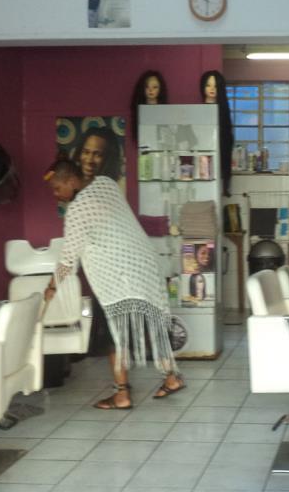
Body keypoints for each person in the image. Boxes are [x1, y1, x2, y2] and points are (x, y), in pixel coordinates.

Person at [44, 158, 184, 409]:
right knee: (151, 324)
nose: (55, 195)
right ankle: (171, 378)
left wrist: (52, 286)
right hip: (144, 266)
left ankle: (122, 394)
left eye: (57, 188)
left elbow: (68, 259)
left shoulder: (77, 210)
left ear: (71, 180)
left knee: (113, 336)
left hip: (115, 280)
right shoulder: (106, 184)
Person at [200, 70, 234, 196]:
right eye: (208, 85)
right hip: (203, 158)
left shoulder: (224, 112)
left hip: (220, 160)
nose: (212, 89)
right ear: (203, 87)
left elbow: (227, 140)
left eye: (215, 86)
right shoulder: (198, 111)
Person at [130, 70, 168, 140]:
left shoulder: (166, 111)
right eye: (147, 87)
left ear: (160, 89)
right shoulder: (139, 111)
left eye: (155, 87)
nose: (151, 90)